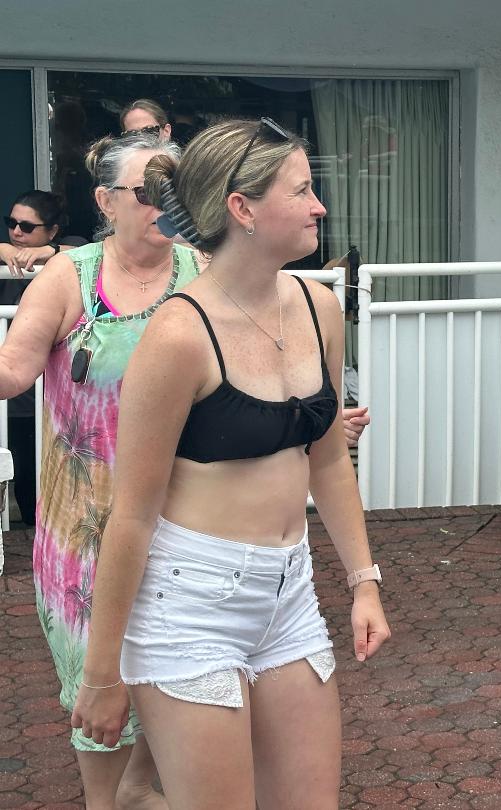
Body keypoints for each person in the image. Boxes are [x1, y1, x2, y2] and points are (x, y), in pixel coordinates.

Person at [71, 117, 390, 808]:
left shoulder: (319, 308)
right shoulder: (178, 336)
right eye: (301, 190)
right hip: (187, 604)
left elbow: (328, 461)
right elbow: (132, 516)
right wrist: (101, 674)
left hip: (289, 594)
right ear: (242, 209)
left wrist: (364, 582)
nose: (319, 207)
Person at [0, 130, 190, 808]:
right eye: (148, 191)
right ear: (106, 201)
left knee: (171, 669)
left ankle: (138, 789)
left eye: (174, 189)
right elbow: (13, 371)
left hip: (184, 517)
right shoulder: (71, 276)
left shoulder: (204, 271)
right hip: (85, 525)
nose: (164, 204)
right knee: (97, 680)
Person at [1, 191, 87, 527]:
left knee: (49, 474)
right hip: (14, 393)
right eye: (11, 223)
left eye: (26, 226)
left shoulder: (72, 254)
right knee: (21, 473)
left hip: (53, 395)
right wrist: (3, 250)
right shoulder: (7, 255)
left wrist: (49, 252)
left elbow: (86, 249)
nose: (16, 232)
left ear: (52, 230)